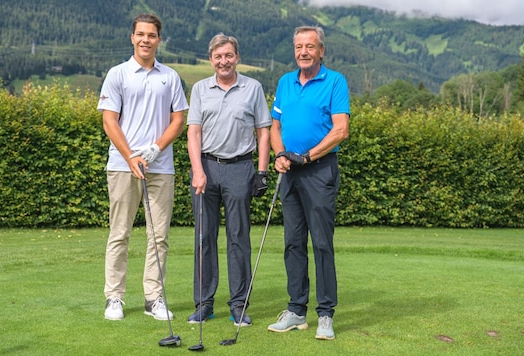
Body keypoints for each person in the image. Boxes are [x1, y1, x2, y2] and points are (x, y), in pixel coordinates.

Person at [97, 13, 188, 321]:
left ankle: (154, 298)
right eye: (141, 34)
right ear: (132, 38)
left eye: (151, 35)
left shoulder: (171, 77)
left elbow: (179, 120)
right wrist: (131, 156)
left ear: (158, 40)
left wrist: (155, 148)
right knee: (119, 232)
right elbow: (109, 121)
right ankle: (114, 298)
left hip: (160, 167)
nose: (146, 40)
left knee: (158, 235)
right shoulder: (118, 74)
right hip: (123, 166)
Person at [267, 25, 350, 340]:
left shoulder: (335, 81)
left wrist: (308, 156)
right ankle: (296, 310)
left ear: (321, 51)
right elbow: (275, 125)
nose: (304, 52)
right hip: (291, 171)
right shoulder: (285, 82)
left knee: (321, 243)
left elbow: (340, 130)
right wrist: (280, 154)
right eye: (299, 46)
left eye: (310, 46)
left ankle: (325, 313)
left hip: (319, 171)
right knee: (292, 242)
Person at [186, 33, 271, 327]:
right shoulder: (199, 89)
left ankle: (238, 304)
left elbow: (263, 131)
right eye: (218, 56)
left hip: (240, 169)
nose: (224, 61)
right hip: (206, 168)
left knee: (238, 238)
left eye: (229, 55)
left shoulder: (253, 88)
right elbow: (193, 132)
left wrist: (262, 171)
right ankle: (204, 304)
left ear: (237, 57)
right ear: (211, 60)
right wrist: (197, 170)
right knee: (204, 238)